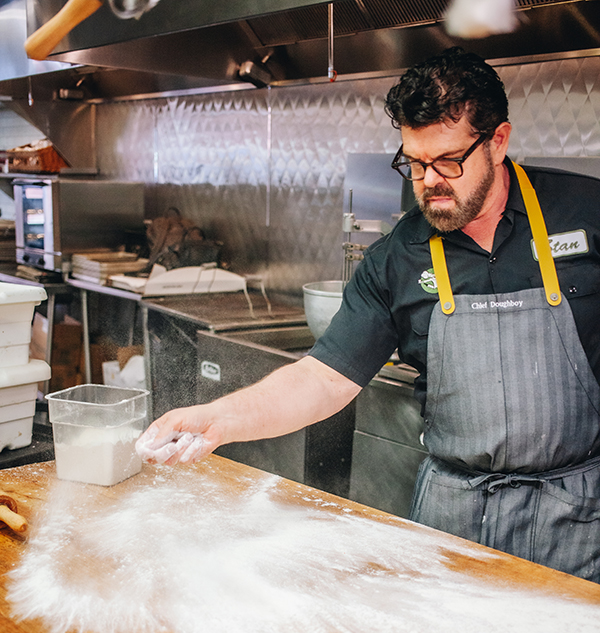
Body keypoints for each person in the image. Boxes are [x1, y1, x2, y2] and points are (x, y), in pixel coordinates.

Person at [137, 47, 600, 583]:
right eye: (414, 163)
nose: (429, 182)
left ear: (497, 140)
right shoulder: (397, 256)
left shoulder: (586, 213)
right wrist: (218, 419)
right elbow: (322, 379)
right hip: (454, 517)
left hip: (578, 518)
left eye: (448, 160)